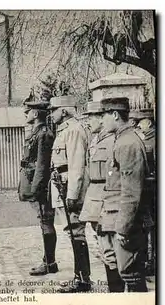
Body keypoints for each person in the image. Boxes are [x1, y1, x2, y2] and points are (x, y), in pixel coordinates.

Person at [100, 97, 148, 292]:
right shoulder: (122, 139)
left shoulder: (128, 143)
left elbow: (131, 191)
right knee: (121, 269)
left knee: (130, 272)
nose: (102, 120)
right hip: (115, 215)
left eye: (104, 115)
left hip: (128, 220)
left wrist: (123, 228)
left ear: (115, 115)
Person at [48, 95, 91, 293]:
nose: (51, 113)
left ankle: (82, 279)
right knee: (71, 231)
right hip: (62, 186)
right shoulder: (65, 130)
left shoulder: (73, 130)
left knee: (76, 232)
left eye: (53, 110)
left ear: (64, 111)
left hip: (70, 188)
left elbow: (76, 165)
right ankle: (79, 276)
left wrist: (72, 194)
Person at [79, 101, 124, 292]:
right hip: (94, 198)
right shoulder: (95, 139)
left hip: (107, 199)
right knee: (103, 247)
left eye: (91, 117)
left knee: (111, 249)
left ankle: (117, 292)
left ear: (102, 117)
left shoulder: (112, 140)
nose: (88, 121)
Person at [18, 99, 57, 276]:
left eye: (28, 112)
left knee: (46, 222)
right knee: (43, 222)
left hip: (41, 185)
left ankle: (49, 263)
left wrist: (36, 188)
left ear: (35, 114)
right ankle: (48, 261)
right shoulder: (36, 132)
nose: (26, 114)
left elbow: (42, 164)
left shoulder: (44, 133)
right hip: (35, 181)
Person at [134, 109, 156, 276]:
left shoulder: (155, 139)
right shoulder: (142, 138)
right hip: (145, 190)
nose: (138, 124)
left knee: (153, 227)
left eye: (140, 121)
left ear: (148, 122)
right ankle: (146, 261)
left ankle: (154, 261)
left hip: (153, 191)